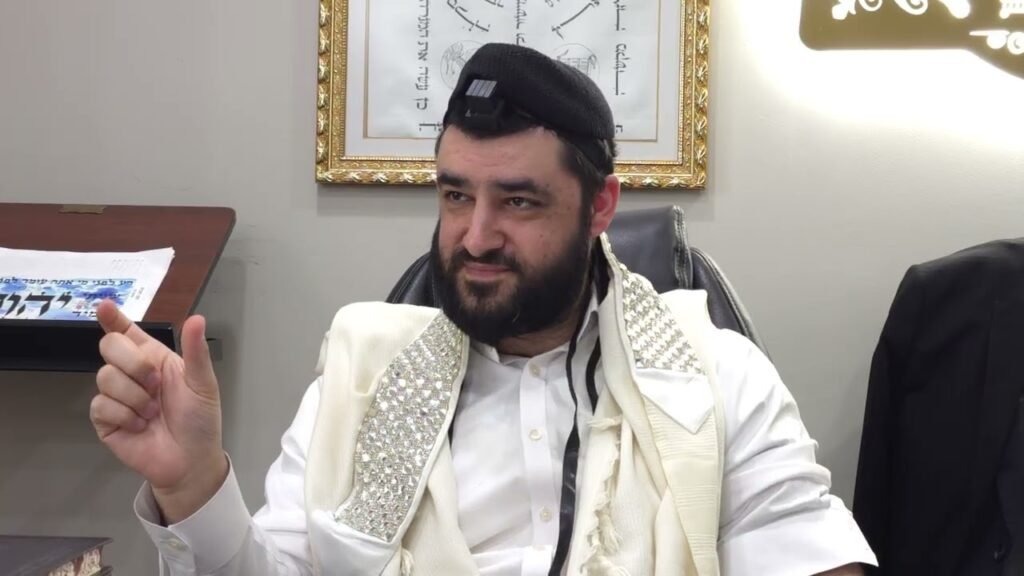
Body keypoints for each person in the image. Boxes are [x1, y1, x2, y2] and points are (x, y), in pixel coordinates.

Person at [89, 43, 876, 575]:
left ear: (600, 206)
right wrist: (194, 483)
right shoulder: (363, 375)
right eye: (456, 194)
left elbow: (807, 552)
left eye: (520, 201)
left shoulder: (716, 375)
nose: (476, 236)